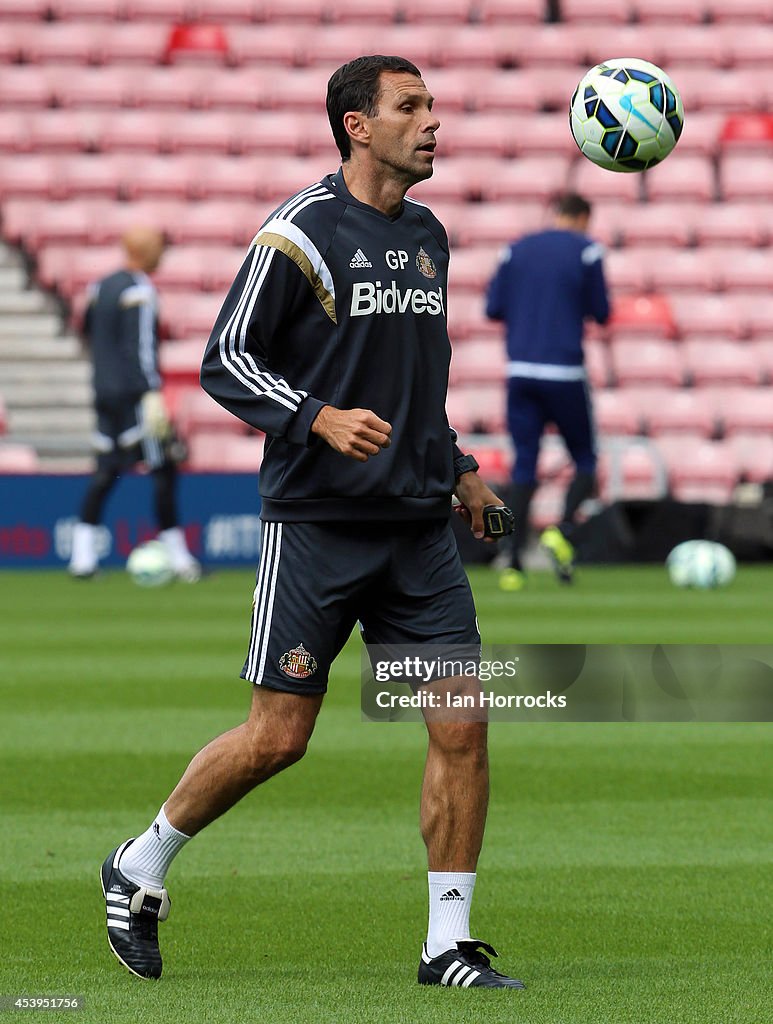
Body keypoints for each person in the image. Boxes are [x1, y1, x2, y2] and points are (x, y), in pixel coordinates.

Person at [100, 55, 524, 990]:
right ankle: (142, 860)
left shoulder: (428, 237)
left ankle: (445, 943)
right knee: (278, 739)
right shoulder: (297, 233)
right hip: (317, 526)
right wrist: (316, 418)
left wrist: (457, 472)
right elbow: (224, 360)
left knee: (462, 723)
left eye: (433, 105)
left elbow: (417, 387)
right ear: (356, 126)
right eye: (409, 107)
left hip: (417, 531)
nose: (432, 122)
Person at [485, 192, 610, 589]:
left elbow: (492, 308)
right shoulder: (587, 251)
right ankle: (563, 530)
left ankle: (513, 560)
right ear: (582, 218)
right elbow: (602, 311)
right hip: (564, 371)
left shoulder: (514, 250)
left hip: (520, 371)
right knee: (586, 460)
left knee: (524, 464)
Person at [68, 227, 200, 582]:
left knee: (104, 472)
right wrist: (152, 391)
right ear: (147, 251)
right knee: (162, 470)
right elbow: (141, 346)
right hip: (136, 396)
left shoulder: (99, 289)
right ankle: (180, 559)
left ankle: (82, 558)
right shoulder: (140, 291)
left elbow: (89, 335)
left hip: (103, 392)